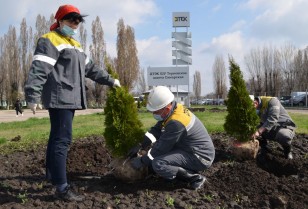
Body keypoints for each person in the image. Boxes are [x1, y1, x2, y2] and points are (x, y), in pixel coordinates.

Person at [24, 5, 121, 202]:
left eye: (77, 22)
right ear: (60, 20)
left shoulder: (75, 45)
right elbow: (39, 68)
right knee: (62, 140)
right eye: (71, 20)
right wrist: (32, 95)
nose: (74, 25)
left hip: (69, 98)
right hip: (61, 98)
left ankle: (53, 178)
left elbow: (91, 69)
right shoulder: (50, 39)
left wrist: (110, 80)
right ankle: (62, 188)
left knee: (56, 138)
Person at [130, 86, 215, 190]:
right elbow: (156, 130)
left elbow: (161, 148)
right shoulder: (173, 109)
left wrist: (142, 161)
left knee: (158, 163)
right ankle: (177, 170)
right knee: (155, 159)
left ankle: (195, 178)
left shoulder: (176, 122)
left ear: (166, 109)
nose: (153, 114)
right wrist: (140, 144)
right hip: (190, 149)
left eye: (155, 111)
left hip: (201, 157)